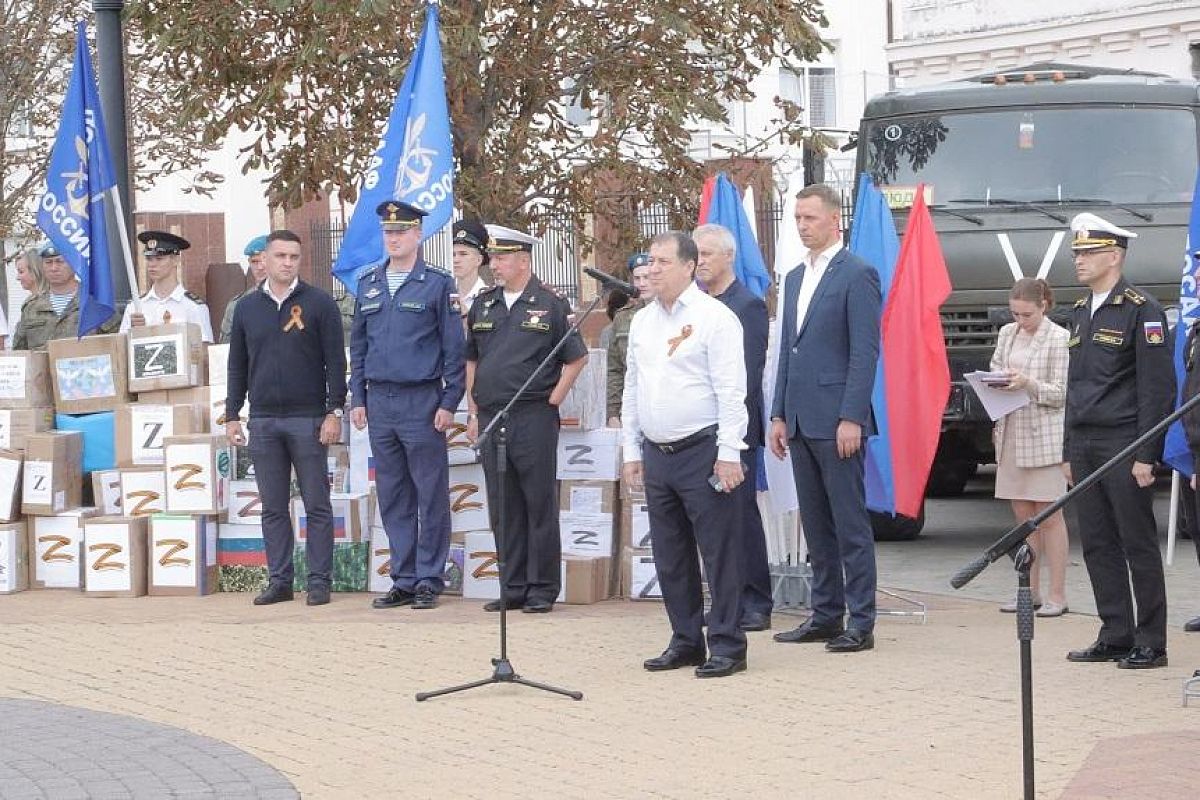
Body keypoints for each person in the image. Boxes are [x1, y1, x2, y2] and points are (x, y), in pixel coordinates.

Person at [624, 231, 748, 678]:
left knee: (718, 552)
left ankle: (729, 644)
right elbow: (633, 388)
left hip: (703, 450)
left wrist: (729, 452)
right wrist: (630, 448)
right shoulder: (643, 321)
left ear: (689, 266)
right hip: (658, 452)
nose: (651, 269)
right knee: (670, 553)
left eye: (661, 261)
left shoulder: (716, 318)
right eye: (650, 261)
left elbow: (732, 392)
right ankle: (685, 639)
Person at [769, 183, 882, 654]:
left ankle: (860, 620)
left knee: (848, 523)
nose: (801, 226)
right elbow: (787, 352)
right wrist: (777, 413)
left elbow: (864, 351)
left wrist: (851, 415)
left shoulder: (857, 274)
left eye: (809, 218)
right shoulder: (795, 276)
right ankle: (825, 614)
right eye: (796, 218)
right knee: (815, 524)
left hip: (837, 419)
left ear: (834, 220)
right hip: (799, 417)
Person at [1063, 212, 1174, 670]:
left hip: (1125, 441)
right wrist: (1069, 451)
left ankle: (1151, 639)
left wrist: (1147, 453)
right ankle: (1115, 631)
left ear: (1115, 256)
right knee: (1096, 542)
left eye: (1088, 253)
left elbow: (1157, 387)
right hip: (1086, 443)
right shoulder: (1078, 311)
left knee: (1136, 542)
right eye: (1077, 254)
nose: (1079, 261)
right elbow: (1076, 387)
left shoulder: (1140, 309)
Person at [464, 224, 588, 613]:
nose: (495, 265)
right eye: (493, 258)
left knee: (538, 503)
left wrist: (553, 398)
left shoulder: (548, 304)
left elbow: (575, 357)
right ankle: (512, 585)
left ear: (523, 260)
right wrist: (472, 408)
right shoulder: (484, 304)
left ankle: (542, 587)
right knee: (503, 506)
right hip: (490, 414)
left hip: (532, 414)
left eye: (501, 258)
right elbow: (472, 357)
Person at [350, 201, 465, 611]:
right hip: (380, 401)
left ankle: (430, 578)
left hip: (422, 399)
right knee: (394, 495)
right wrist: (357, 398)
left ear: (418, 235)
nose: (393, 239)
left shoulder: (437, 283)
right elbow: (359, 347)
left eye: (401, 232)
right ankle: (403, 577)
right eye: (388, 232)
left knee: (429, 493)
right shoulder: (368, 283)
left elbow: (454, 349)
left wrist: (450, 400)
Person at [225, 229, 347, 607]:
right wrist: (232, 414)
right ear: (266, 258)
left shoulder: (319, 303)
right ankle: (279, 581)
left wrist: (334, 410)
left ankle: (318, 582)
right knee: (273, 506)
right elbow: (237, 366)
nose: (287, 263)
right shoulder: (246, 308)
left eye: (294, 257)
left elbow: (335, 363)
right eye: (280, 256)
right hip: (263, 421)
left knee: (316, 504)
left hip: (308, 418)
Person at [694, 223, 774, 632]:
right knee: (715, 523)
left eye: (708, 254)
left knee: (740, 517)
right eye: (697, 255)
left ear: (728, 256)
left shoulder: (746, 305)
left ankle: (756, 600)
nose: (701, 261)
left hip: (734, 429)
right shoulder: (696, 306)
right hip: (700, 430)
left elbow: (744, 375)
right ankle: (727, 601)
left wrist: (730, 432)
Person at [990, 277, 1070, 617]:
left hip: (1044, 436)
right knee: (1022, 516)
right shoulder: (1007, 333)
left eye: (1026, 315)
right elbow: (995, 368)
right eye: (1015, 314)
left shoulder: (1059, 338)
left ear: (1044, 306)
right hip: (1010, 430)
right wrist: (996, 380)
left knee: (1049, 516)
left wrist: (1028, 384)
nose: (1020, 321)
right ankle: (1029, 590)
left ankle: (1057, 594)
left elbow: (1062, 392)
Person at [12, 242, 119, 350]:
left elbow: (116, 345)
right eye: (48, 262)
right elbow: (20, 353)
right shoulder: (31, 307)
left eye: (60, 261)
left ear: (74, 263)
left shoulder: (97, 303)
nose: (54, 268)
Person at [121, 231, 214, 343]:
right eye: (149, 259)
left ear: (175, 260)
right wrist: (134, 332)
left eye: (159, 259)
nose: (152, 264)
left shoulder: (193, 307)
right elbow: (121, 351)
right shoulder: (135, 307)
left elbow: (203, 352)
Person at [606, 253, 652, 427]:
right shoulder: (623, 317)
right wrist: (613, 412)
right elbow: (615, 369)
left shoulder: (674, 313)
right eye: (637, 278)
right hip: (632, 408)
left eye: (646, 277)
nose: (642, 283)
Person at [219, 235, 269, 343]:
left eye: (264, 261)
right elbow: (226, 348)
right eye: (255, 262)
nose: (260, 267)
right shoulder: (236, 305)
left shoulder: (289, 299)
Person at [452, 219, 491, 316]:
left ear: (479, 260)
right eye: (453, 254)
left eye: (463, 254)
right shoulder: (444, 293)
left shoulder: (490, 297)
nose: (456, 260)